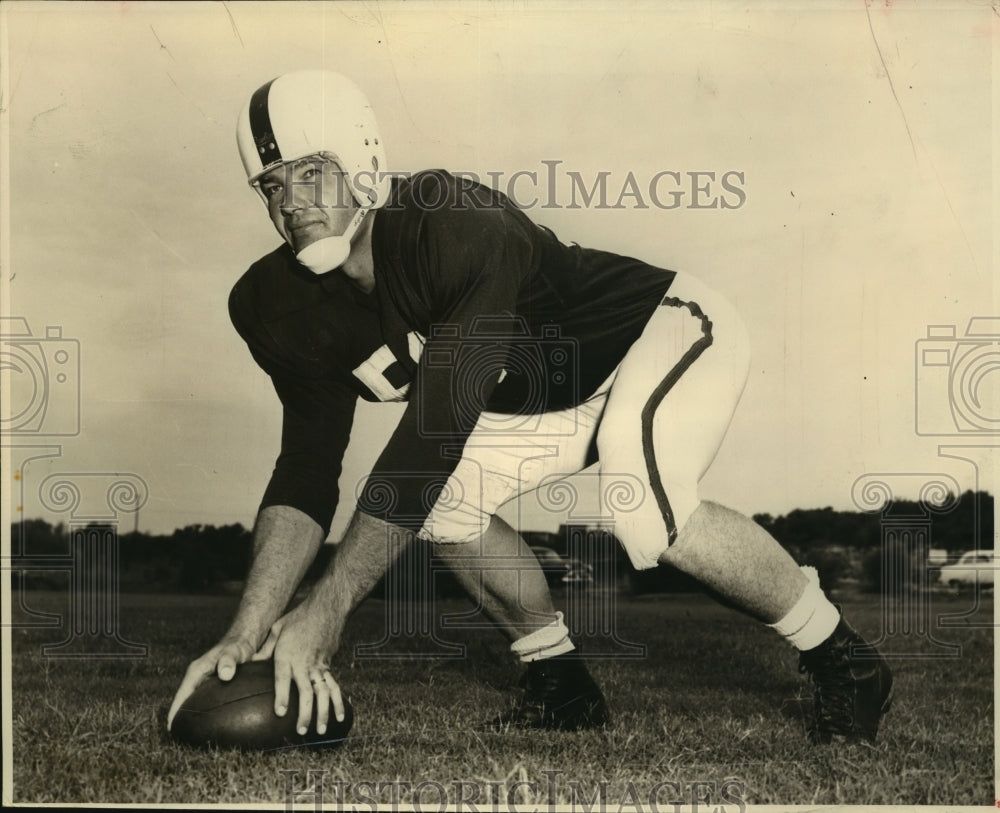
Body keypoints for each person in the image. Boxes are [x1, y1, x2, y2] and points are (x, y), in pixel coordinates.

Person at [168, 69, 892, 746]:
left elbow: (434, 435)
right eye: (271, 185)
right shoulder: (274, 304)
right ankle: (561, 684)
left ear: (361, 160)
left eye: (310, 172)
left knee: (645, 509)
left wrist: (326, 609)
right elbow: (306, 469)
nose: (290, 201)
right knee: (445, 507)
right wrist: (246, 631)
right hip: (542, 398)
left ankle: (843, 657)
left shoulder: (449, 221)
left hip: (655, 330)